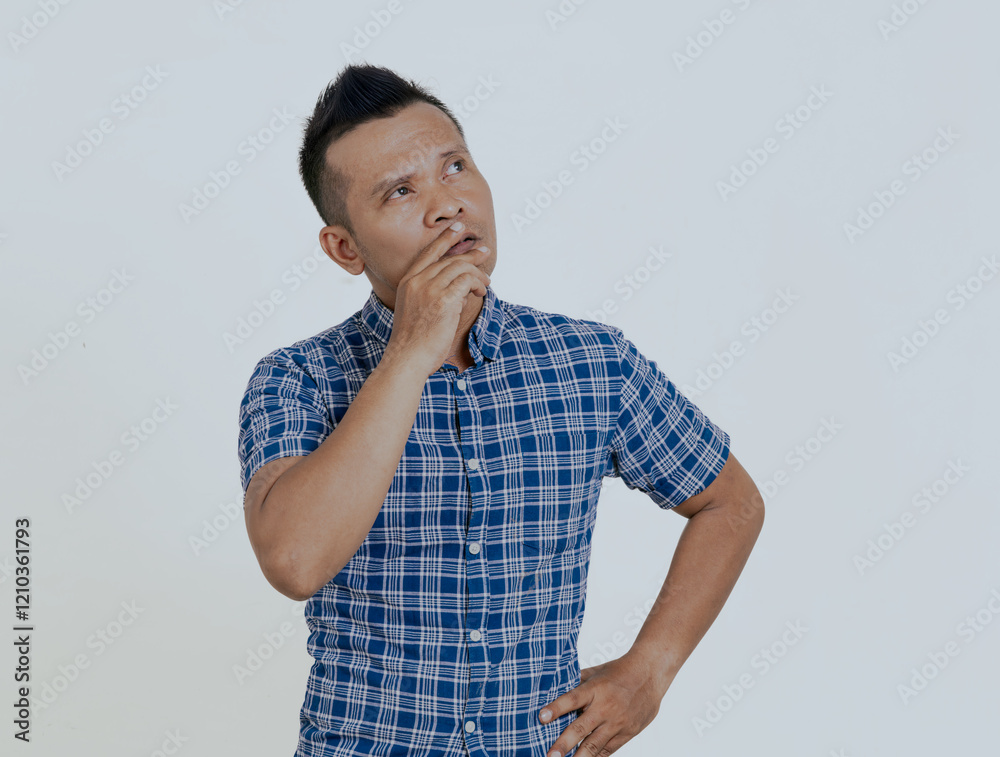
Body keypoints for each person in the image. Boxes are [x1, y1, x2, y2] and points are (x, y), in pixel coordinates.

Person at [237, 63, 764, 757]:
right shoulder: (297, 378)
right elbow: (295, 561)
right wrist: (411, 353)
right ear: (345, 248)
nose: (447, 205)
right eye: (401, 191)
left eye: (455, 166)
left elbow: (731, 503)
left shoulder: (592, 360)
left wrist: (649, 671)